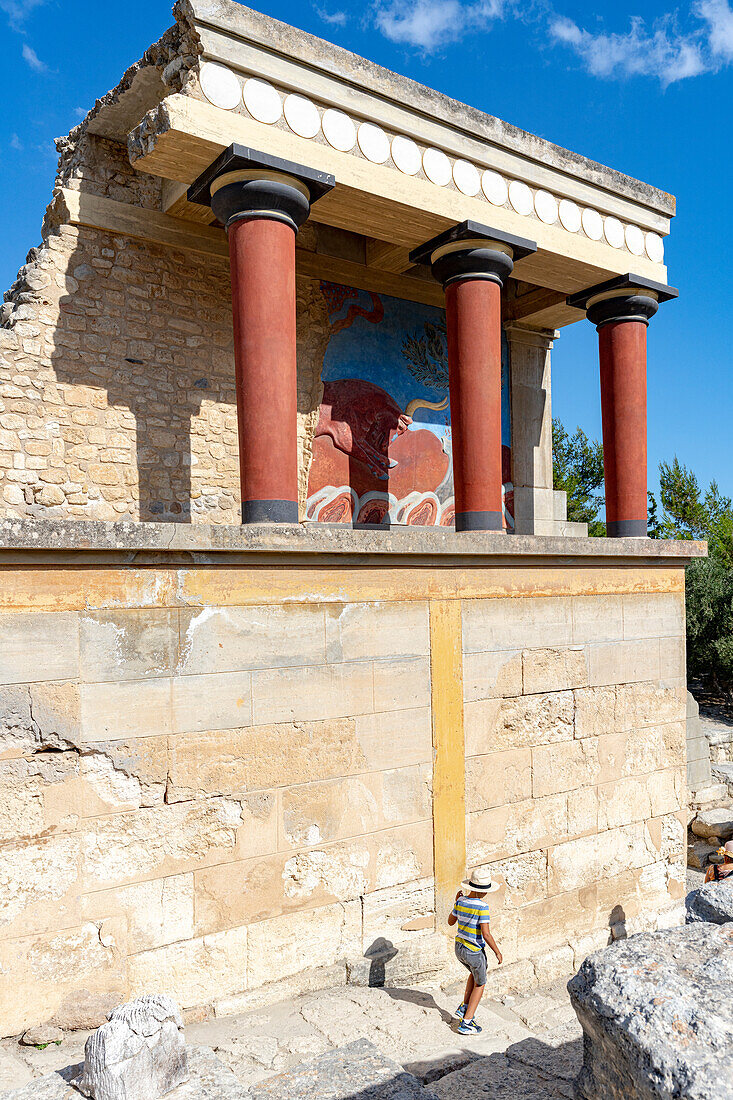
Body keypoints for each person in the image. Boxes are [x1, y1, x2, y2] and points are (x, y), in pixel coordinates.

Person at [448, 867, 503, 1036]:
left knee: (474, 974)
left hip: (460, 948)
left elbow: (451, 922)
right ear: (484, 891)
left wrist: (456, 903)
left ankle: (464, 1007)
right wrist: (497, 951)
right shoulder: (482, 907)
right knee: (481, 983)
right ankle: (466, 1022)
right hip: (474, 951)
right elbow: (486, 933)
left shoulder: (461, 901)